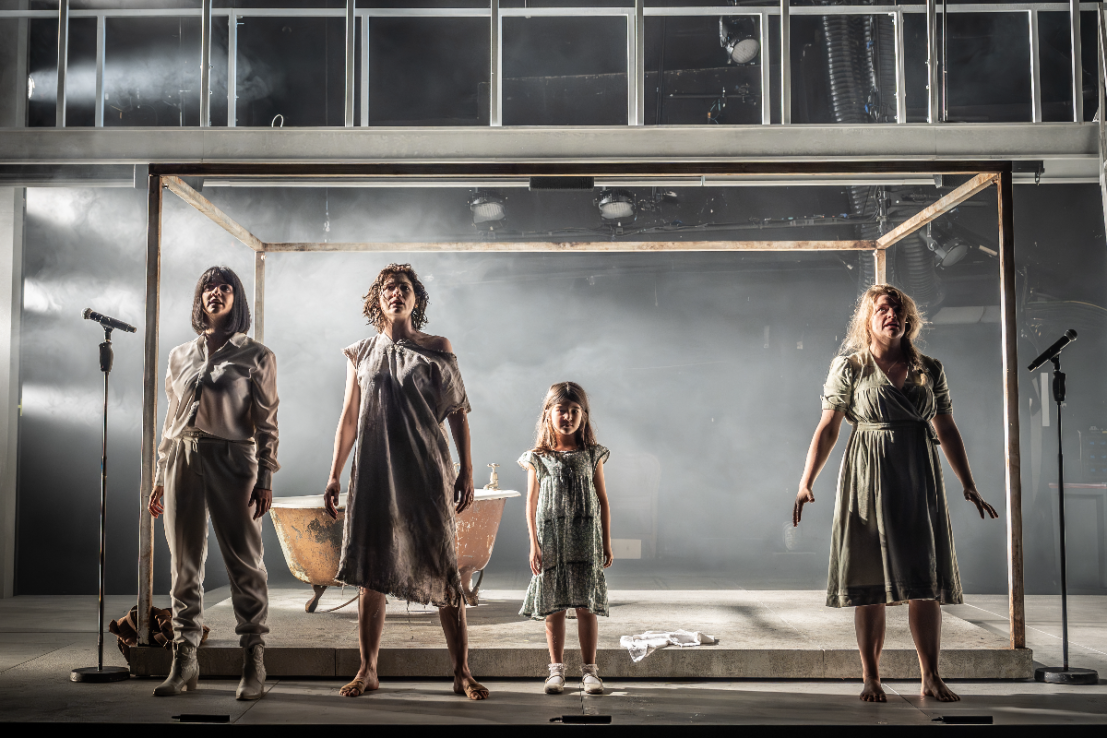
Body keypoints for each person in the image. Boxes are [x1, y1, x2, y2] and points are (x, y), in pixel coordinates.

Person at [793, 284, 998, 703]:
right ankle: (871, 677)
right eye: (883, 309)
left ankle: (931, 676)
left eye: (898, 309)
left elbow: (947, 429)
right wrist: (806, 480)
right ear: (868, 319)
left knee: (924, 580)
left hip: (917, 474)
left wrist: (969, 484)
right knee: (869, 581)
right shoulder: (849, 367)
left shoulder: (929, 368)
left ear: (908, 319)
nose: (892, 315)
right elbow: (829, 427)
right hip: (867, 475)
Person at [324, 263, 488, 700]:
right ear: (377, 298)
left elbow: (458, 411)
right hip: (375, 471)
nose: (396, 293)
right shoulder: (360, 352)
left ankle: (462, 672)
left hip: (426, 470)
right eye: (388, 288)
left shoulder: (437, 347)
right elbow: (348, 419)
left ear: (417, 299)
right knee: (370, 570)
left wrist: (467, 471)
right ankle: (368, 670)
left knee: (443, 566)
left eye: (405, 288)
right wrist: (334, 474)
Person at [148, 266, 279, 700]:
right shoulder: (180, 355)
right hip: (183, 457)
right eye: (208, 286)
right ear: (199, 297)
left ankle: (253, 660)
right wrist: (159, 475)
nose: (215, 292)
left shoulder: (256, 355)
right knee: (184, 562)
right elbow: (170, 420)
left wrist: (265, 476)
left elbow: (268, 423)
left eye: (225, 287)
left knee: (244, 561)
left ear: (236, 299)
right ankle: (184, 660)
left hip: (234, 458)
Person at [518, 381, 613, 696]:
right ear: (548, 413)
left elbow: (602, 499)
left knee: (586, 606)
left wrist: (607, 542)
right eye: (562, 410)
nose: (568, 416)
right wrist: (534, 544)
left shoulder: (592, 454)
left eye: (575, 411)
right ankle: (555, 671)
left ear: (584, 416)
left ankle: (590, 672)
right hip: (552, 539)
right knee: (554, 606)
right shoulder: (538, 457)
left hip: (585, 539)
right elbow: (530, 503)